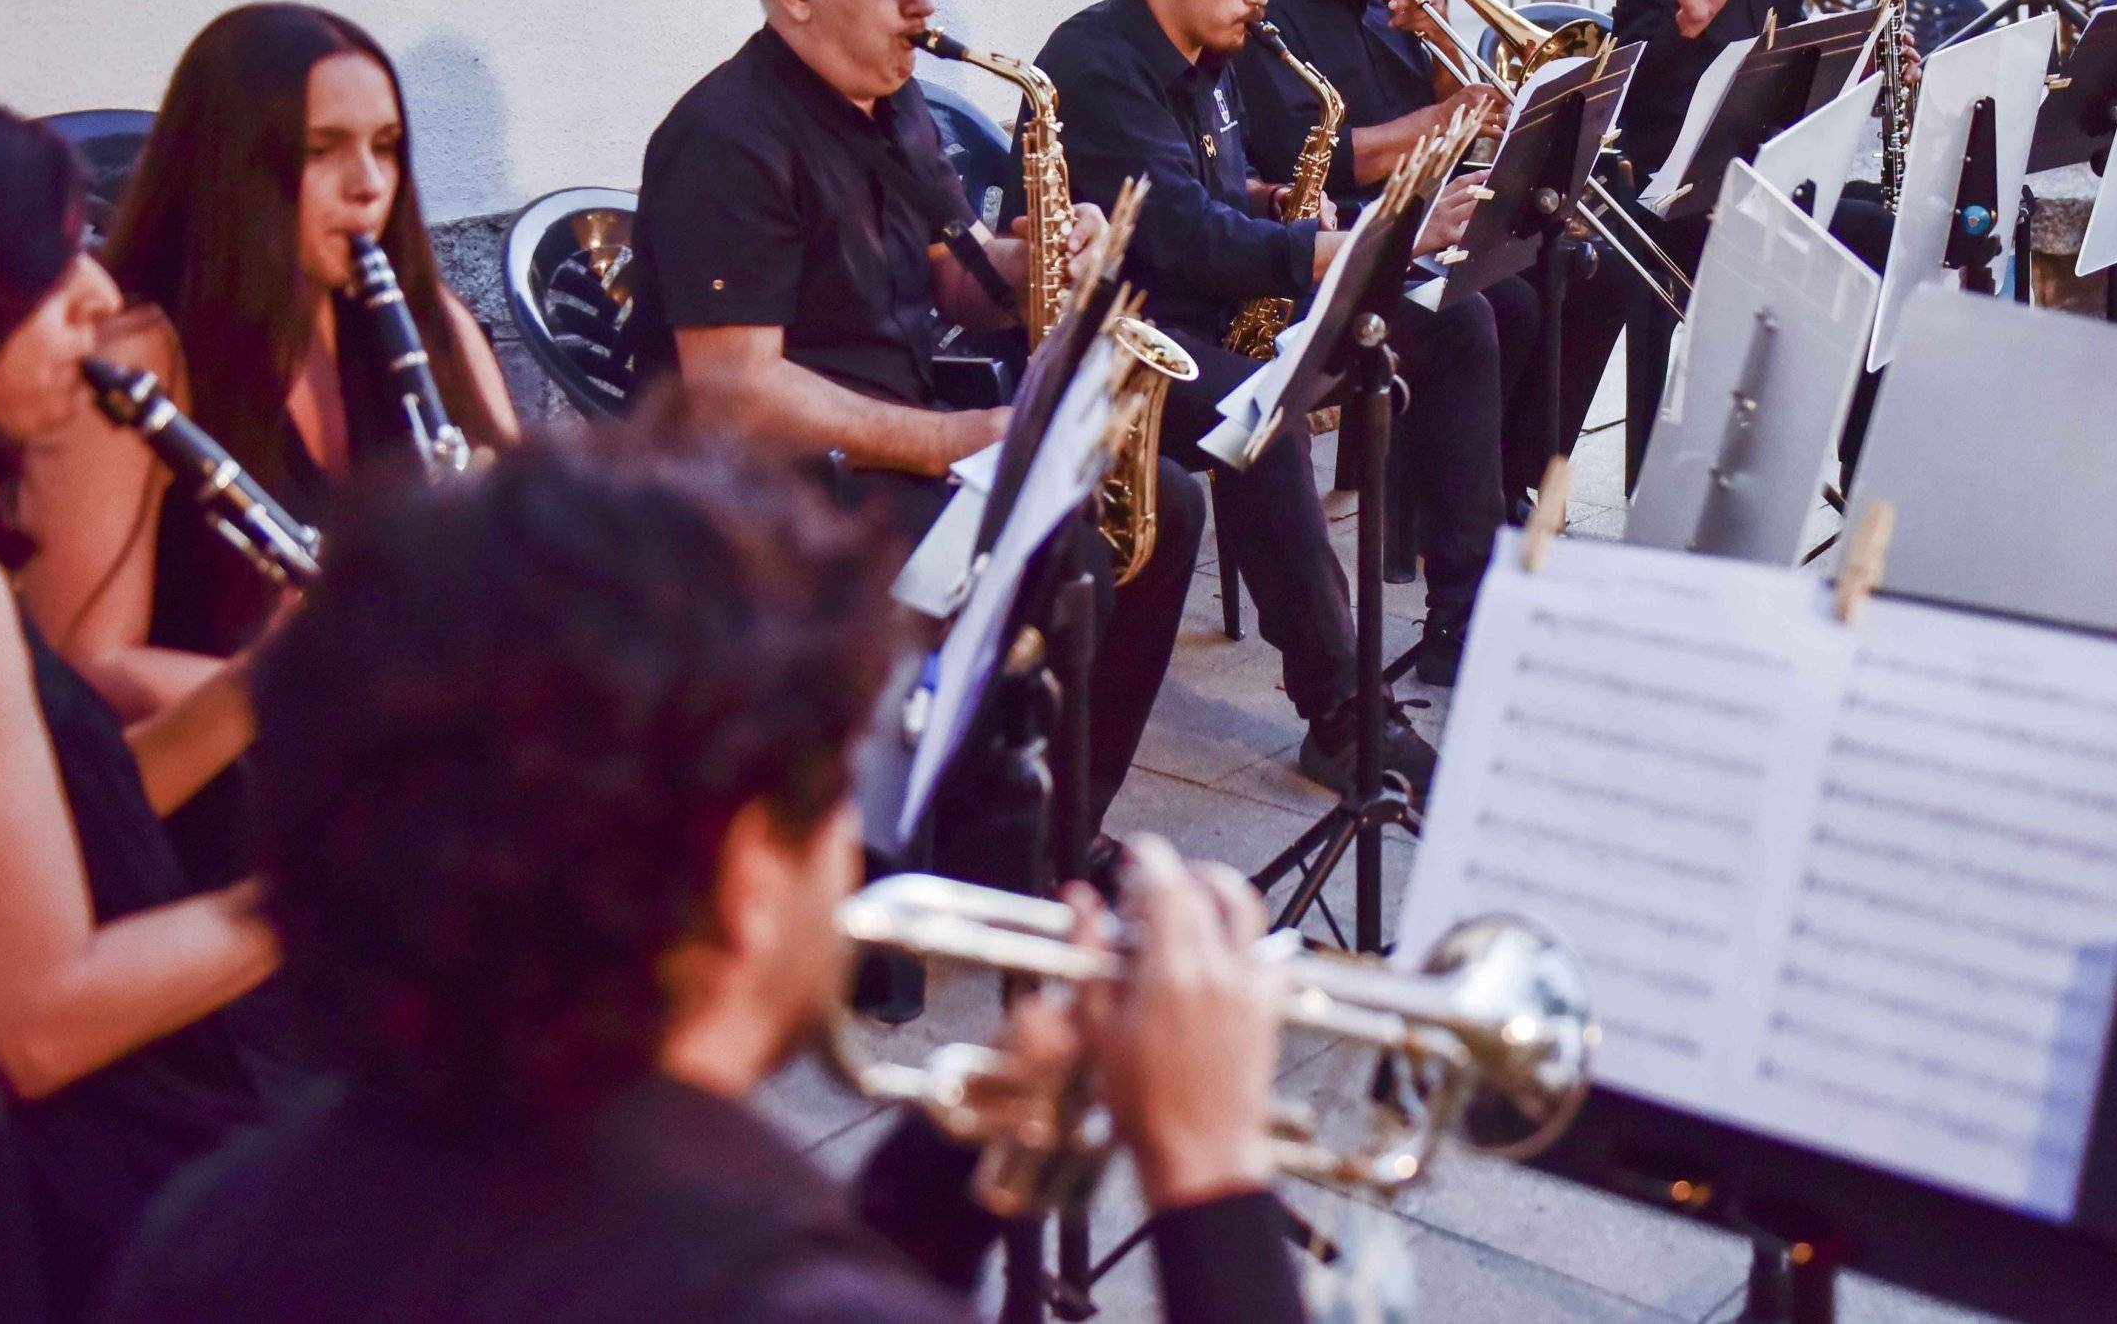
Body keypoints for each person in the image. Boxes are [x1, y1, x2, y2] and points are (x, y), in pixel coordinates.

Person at [101, 432, 1307, 1324]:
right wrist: (1208, 1173)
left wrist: (964, 1144)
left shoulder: (215, 1223)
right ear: (742, 873)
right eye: (839, 794)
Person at [616, 0, 1202, 877]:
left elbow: (947, 278)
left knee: (1173, 500)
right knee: (1056, 557)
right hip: (775, 492)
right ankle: (985, 844)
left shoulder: (890, 105)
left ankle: (1057, 822)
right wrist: (949, 441)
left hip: (886, 444)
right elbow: (733, 389)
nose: (924, 6)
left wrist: (1041, 261)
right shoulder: (727, 139)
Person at [0, 92, 278, 1319]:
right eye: (46, 261)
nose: (92, 296)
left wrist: (263, 693)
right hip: (84, 1194)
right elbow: (39, 1018)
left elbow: (52, 832)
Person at [21, 4, 522, 887]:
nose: (369, 183)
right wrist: (341, 692)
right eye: (322, 150)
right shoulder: (137, 358)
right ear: (230, 166)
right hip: (229, 819)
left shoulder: (433, 325)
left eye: (387, 145)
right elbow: (86, 665)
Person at [1031, 0, 1490, 764]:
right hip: (1127, 334)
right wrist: (1358, 242)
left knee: (1455, 321)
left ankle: (1464, 609)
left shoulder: (1214, 49)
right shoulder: (1095, 65)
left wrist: (1278, 197)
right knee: (1266, 424)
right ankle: (1344, 718)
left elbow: (1218, 193)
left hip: (1216, 305)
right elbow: (1185, 238)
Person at [1230, 0, 1626, 514]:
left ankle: (1512, 471)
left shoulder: (1388, 2)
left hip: (1432, 205)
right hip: (1352, 227)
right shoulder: (1277, 12)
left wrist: (1438, 39)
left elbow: (1448, 101)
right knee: (1507, 300)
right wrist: (1446, 118)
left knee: (1588, 264)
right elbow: (1318, 154)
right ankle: (1459, 501)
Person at [1606, 0, 1896, 484]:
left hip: (1763, 190)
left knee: (1892, 228)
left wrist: (1872, 72)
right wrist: (1684, 30)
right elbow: (1630, 103)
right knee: (1873, 241)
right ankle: (1857, 470)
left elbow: (1803, 98)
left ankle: (1862, 456)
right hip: (1676, 215)